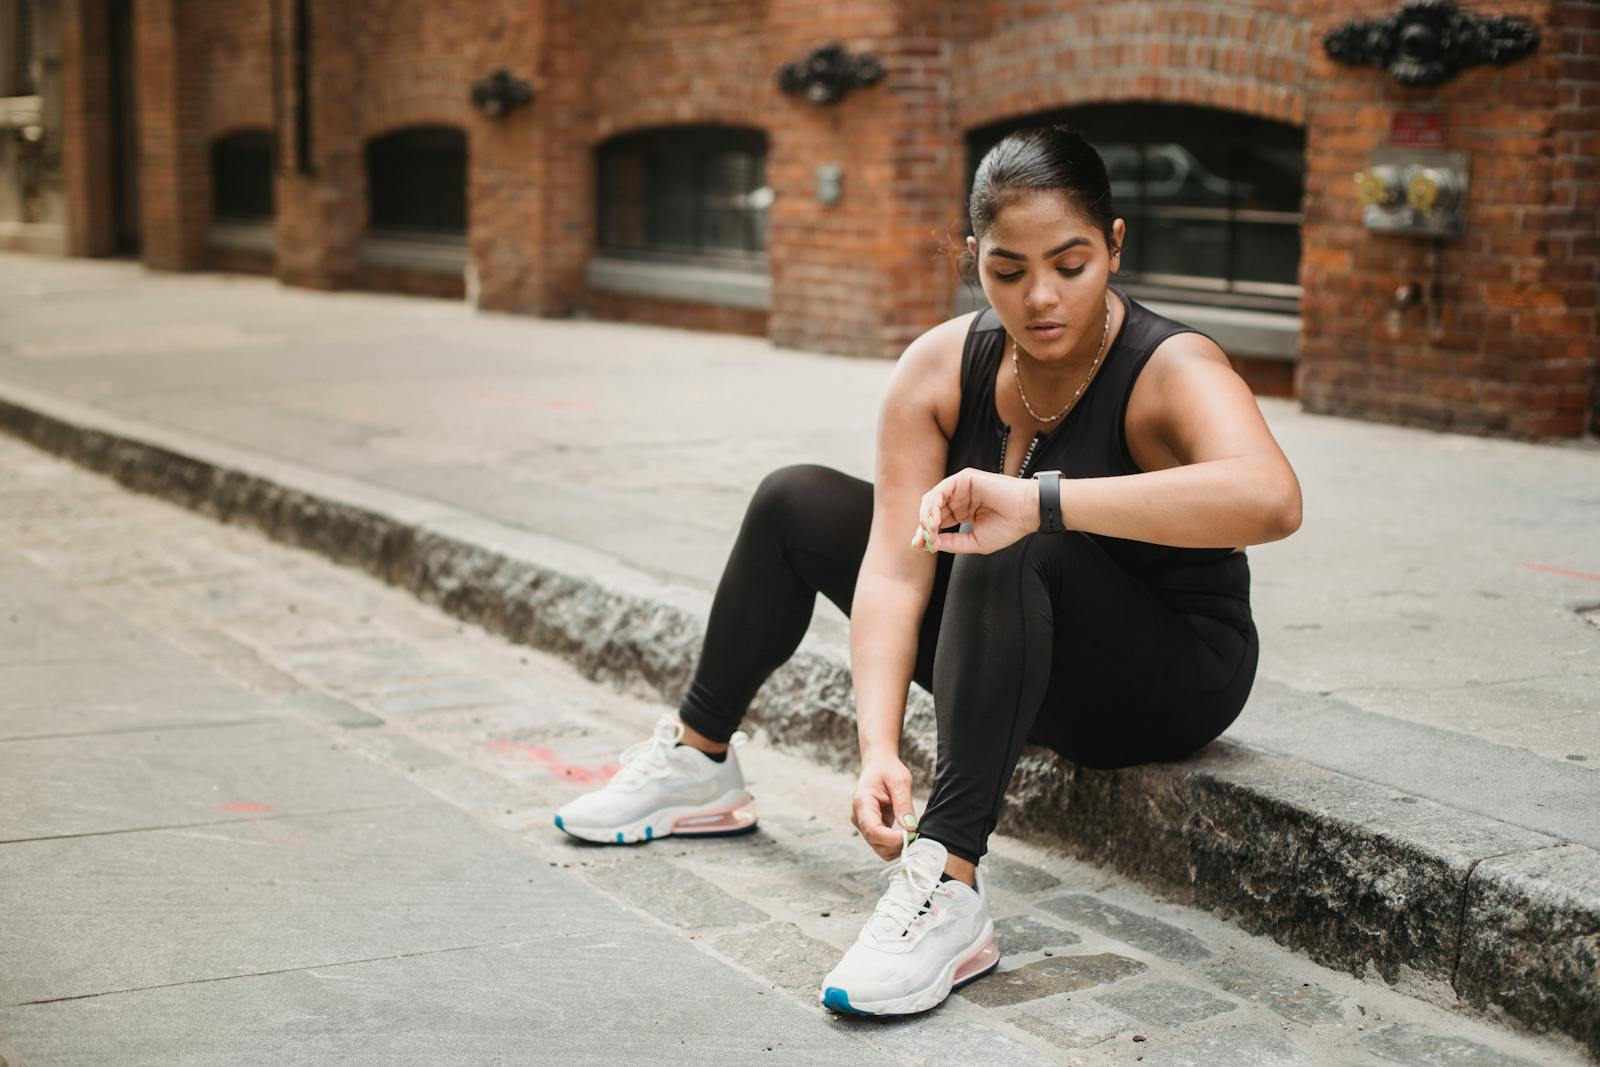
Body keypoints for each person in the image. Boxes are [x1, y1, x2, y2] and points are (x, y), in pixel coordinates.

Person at [553, 125, 1303, 1016]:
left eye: (1071, 263)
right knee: (796, 499)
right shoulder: (941, 365)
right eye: (1008, 269)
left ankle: (948, 880)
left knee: (1002, 528)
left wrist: (1044, 500)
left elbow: (1273, 497)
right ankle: (700, 759)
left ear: (1115, 244)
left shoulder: (1169, 367)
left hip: (1169, 674)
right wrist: (877, 747)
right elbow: (893, 571)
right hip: (1019, 646)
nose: (1041, 296)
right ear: (973, 259)